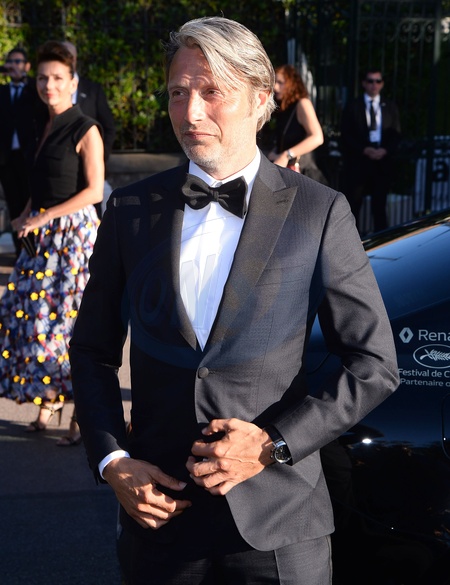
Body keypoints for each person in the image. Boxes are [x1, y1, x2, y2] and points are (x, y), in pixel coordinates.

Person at [69, 17, 399, 585]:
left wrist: (274, 444)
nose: (190, 112)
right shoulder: (130, 210)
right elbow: (92, 350)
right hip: (159, 523)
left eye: (211, 91)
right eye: (178, 92)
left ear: (261, 99)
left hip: (280, 528)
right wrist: (111, 459)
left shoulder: (319, 211)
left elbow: (373, 364)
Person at [0, 41, 104, 446]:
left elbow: (94, 191)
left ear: (73, 82)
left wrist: (44, 216)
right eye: (43, 78)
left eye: (58, 78)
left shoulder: (85, 128)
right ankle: (50, 399)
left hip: (71, 239)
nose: (49, 85)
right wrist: (27, 213)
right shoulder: (41, 125)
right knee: (28, 318)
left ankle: (80, 412)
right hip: (40, 237)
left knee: (63, 326)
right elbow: (40, 185)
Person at [340, 69, 401, 233]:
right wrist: (364, 149)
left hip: (382, 164)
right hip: (358, 163)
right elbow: (346, 134)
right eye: (370, 81)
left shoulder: (390, 106)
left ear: (382, 84)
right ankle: (352, 241)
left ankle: (383, 240)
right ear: (364, 83)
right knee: (354, 205)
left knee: (379, 206)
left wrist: (385, 150)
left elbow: (396, 134)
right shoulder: (353, 106)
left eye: (378, 81)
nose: (374, 85)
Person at [0, 48, 42, 256]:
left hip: (28, 157)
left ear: (26, 66)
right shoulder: (2, 92)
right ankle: (21, 253)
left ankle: (35, 249)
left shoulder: (32, 90)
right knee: (14, 204)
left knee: (30, 201)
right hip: (7, 159)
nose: (14, 66)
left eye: (18, 62)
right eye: (11, 62)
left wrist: (26, 79)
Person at [268, 64, 327, 183]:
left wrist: (286, 155)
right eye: (274, 82)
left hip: (303, 172)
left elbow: (317, 137)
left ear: (292, 84)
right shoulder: (283, 107)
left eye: (280, 82)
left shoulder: (302, 103)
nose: (275, 87)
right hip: (287, 172)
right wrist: (275, 152)